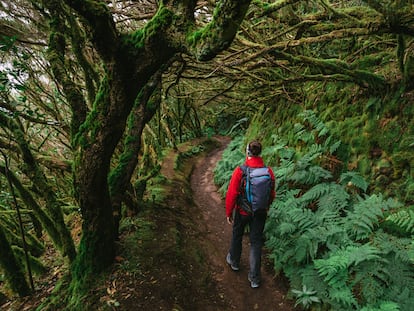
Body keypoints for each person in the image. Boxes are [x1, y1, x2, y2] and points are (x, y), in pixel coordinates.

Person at [225, 140, 275, 288]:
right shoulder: (268, 171)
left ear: (248, 152)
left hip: (242, 211)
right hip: (260, 212)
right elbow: (271, 193)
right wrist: (266, 206)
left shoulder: (241, 170)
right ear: (260, 153)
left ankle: (234, 261)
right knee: (256, 242)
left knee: (237, 234)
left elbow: (232, 193)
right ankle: (254, 278)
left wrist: (229, 212)